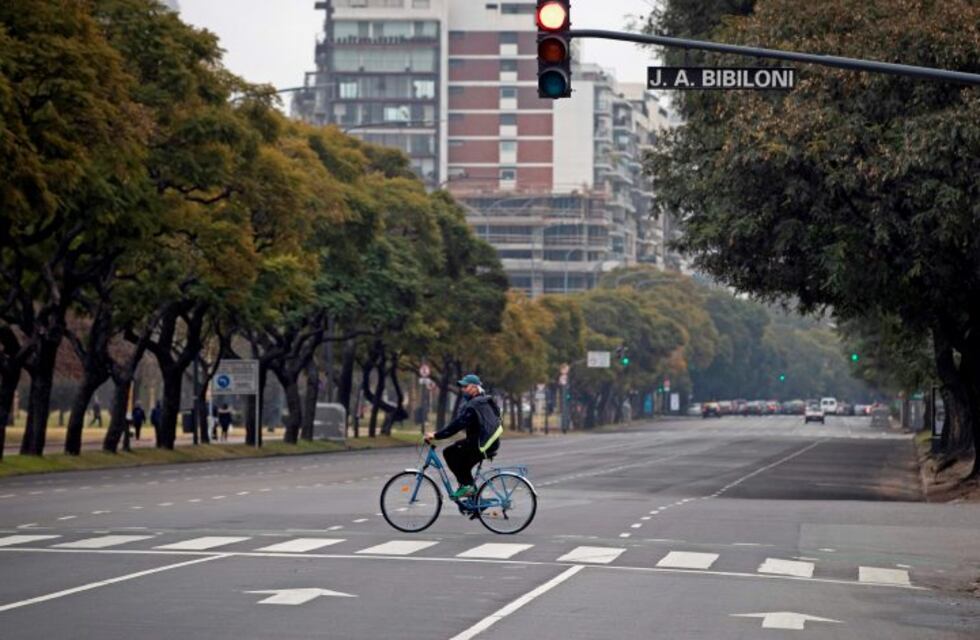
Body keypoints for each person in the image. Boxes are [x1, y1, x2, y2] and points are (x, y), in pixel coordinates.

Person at [425, 374, 503, 498]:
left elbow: (458, 424)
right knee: (463, 463)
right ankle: (473, 494)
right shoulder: (483, 400)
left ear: (474, 388)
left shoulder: (474, 405)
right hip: (488, 441)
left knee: (449, 452)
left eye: (465, 386)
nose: (463, 389)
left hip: (482, 443)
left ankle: (468, 487)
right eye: (462, 387)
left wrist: (436, 435)